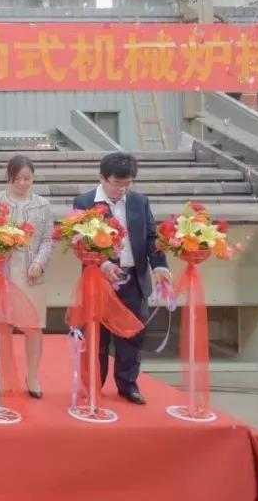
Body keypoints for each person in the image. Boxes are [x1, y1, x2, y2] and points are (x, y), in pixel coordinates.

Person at [72, 151, 171, 405]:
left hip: (134, 278)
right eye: (116, 183)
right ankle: (94, 385)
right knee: (98, 337)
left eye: (127, 184)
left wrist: (160, 266)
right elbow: (79, 243)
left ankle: (128, 385)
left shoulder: (139, 201)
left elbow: (151, 237)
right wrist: (103, 263)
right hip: (99, 280)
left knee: (132, 335)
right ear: (102, 178)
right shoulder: (85, 202)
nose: (122, 189)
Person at [0, 155, 54, 398]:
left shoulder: (43, 205)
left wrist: (39, 262)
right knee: (2, 327)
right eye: (17, 178)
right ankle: (4, 376)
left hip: (31, 275)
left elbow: (48, 239)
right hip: (2, 274)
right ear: (8, 178)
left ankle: (33, 376)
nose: (22, 183)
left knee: (33, 328)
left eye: (27, 179)